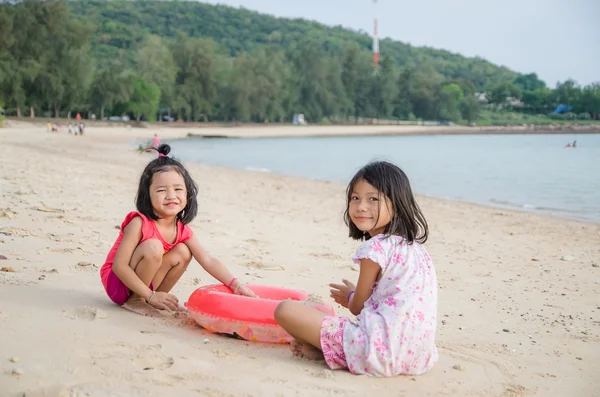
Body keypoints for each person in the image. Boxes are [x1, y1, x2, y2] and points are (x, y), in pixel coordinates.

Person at [274, 161, 438, 377]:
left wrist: (350, 296)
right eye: (355, 198)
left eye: (373, 199)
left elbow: (358, 307)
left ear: (397, 204)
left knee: (285, 310)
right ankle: (329, 352)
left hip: (377, 352)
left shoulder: (376, 247)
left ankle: (330, 352)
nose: (361, 206)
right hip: (419, 356)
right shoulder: (416, 249)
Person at [100, 144, 256, 317]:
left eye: (178, 189)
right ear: (147, 195)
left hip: (147, 286)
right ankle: (137, 300)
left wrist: (236, 286)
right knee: (154, 246)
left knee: (183, 251)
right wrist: (149, 295)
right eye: (161, 190)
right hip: (118, 283)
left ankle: (157, 300)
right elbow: (119, 266)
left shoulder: (181, 229)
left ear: (188, 193)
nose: (171, 195)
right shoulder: (139, 223)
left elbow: (208, 260)